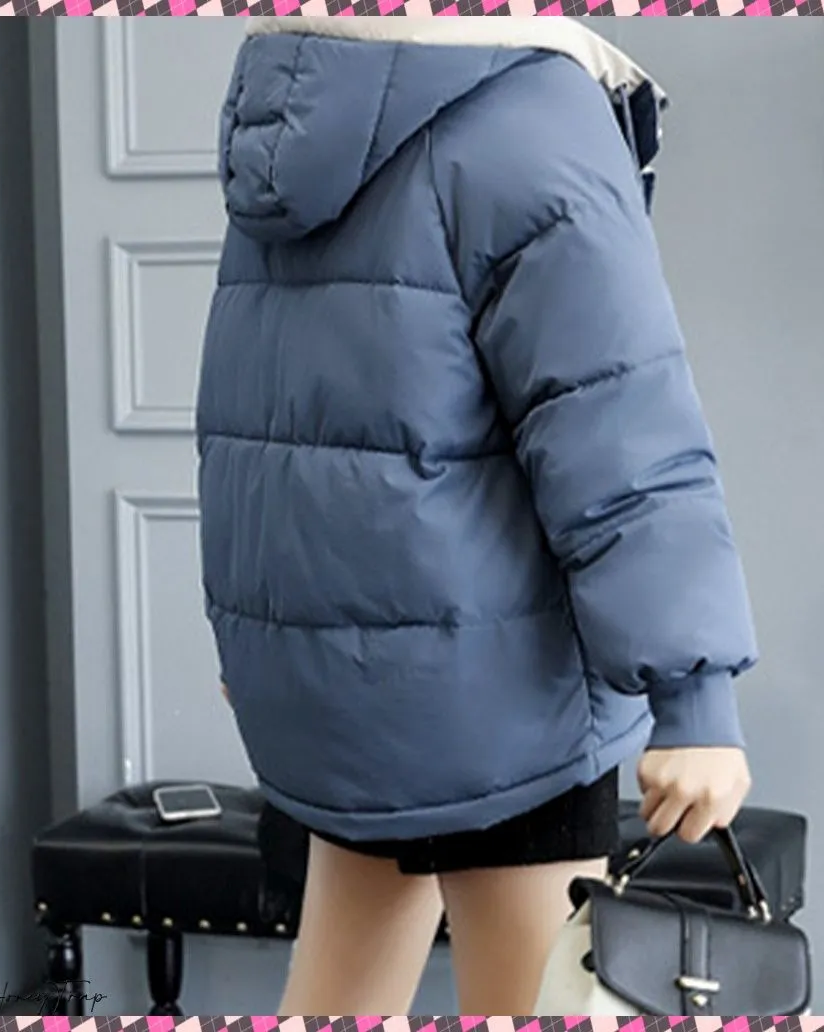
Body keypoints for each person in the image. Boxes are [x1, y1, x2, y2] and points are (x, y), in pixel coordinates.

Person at [196, 17, 758, 1017]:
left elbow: (259, 422)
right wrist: (695, 695)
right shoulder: (527, 110)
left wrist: (264, 654)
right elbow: (616, 422)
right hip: (503, 701)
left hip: (335, 693)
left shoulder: (298, 102)